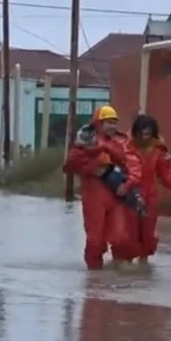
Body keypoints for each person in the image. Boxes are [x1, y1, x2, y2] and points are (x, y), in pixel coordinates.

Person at [64, 105, 142, 270]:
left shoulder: (121, 142)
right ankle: (94, 276)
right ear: (99, 123)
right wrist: (96, 155)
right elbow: (70, 165)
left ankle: (118, 273)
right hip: (93, 194)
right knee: (95, 239)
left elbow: (130, 164)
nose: (112, 126)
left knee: (121, 237)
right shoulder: (86, 140)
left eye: (114, 122)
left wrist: (128, 185)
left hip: (116, 193)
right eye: (108, 122)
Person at [126, 114, 171, 264]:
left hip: (150, 197)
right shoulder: (126, 148)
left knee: (147, 234)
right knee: (129, 233)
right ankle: (126, 264)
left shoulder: (159, 151)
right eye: (141, 133)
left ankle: (143, 263)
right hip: (129, 194)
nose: (144, 137)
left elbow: (166, 174)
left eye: (147, 133)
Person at [74, 122, 147, 216]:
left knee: (121, 181)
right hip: (103, 185)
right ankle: (137, 202)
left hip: (115, 175)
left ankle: (137, 201)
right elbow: (74, 166)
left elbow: (127, 162)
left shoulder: (119, 145)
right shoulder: (86, 146)